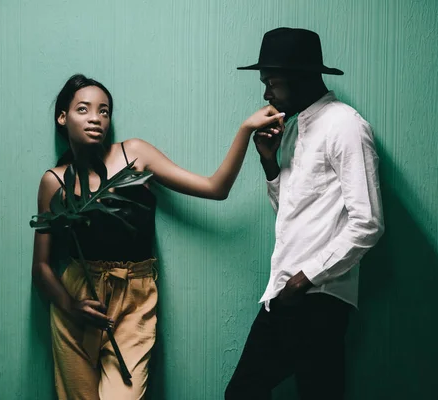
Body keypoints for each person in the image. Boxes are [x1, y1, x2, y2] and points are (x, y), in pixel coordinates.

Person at [31, 74, 284, 399]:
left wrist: (246, 130)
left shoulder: (133, 155)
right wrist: (71, 305)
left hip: (135, 296)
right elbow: (41, 268)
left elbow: (215, 188)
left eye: (104, 111)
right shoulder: (55, 181)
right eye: (84, 109)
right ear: (62, 117)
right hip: (79, 299)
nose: (96, 118)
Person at [225, 28, 385, 400]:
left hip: (317, 296)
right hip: (289, 293)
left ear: (302, 78)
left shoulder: (345, 125)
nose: (266, 94)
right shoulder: (294, 128)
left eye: (272, 83)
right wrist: (269, 165)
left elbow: (369, 222)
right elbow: (292, 214)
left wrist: (303, 280)